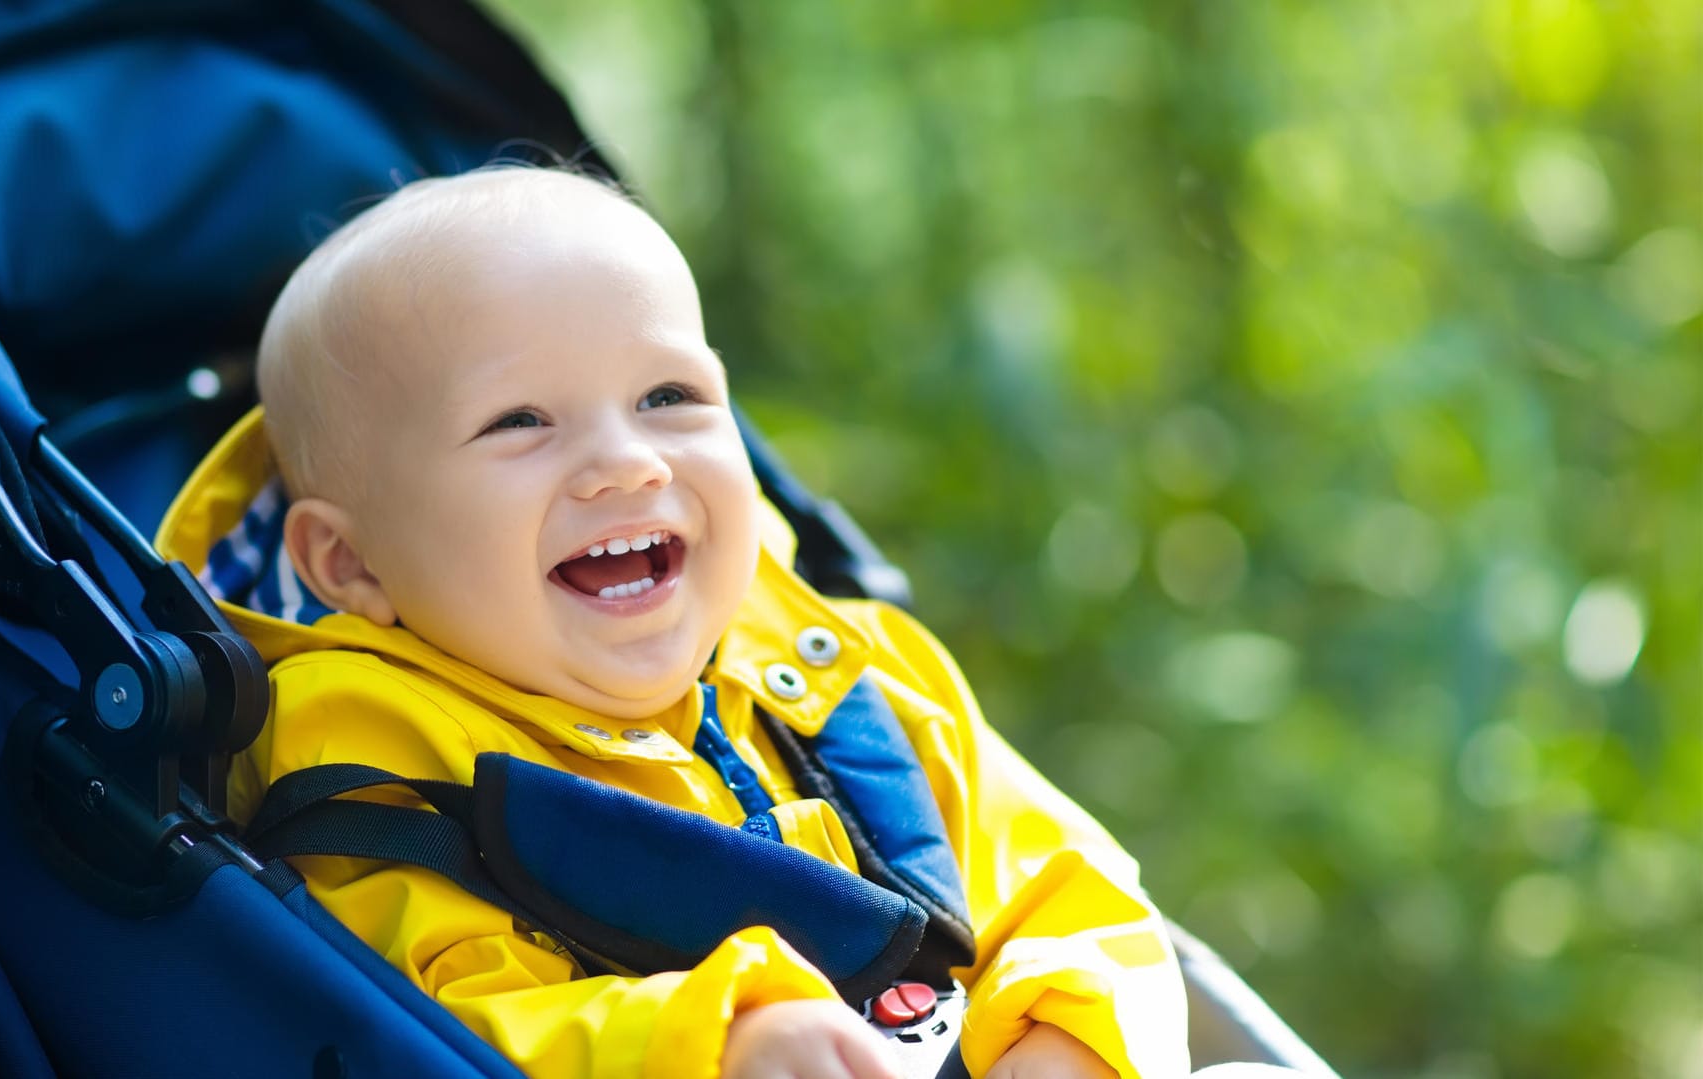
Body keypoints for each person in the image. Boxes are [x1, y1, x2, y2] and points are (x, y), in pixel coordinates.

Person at [157, 166, 1198, 1079]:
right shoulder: (373, 774)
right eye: (520, 421)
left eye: (667, 395)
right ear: (350, 561)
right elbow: (453, 1024)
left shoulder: (844, 662)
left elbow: (1056, 874)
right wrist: (714, 1039)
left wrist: (1073, 1033)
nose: (629, 459)